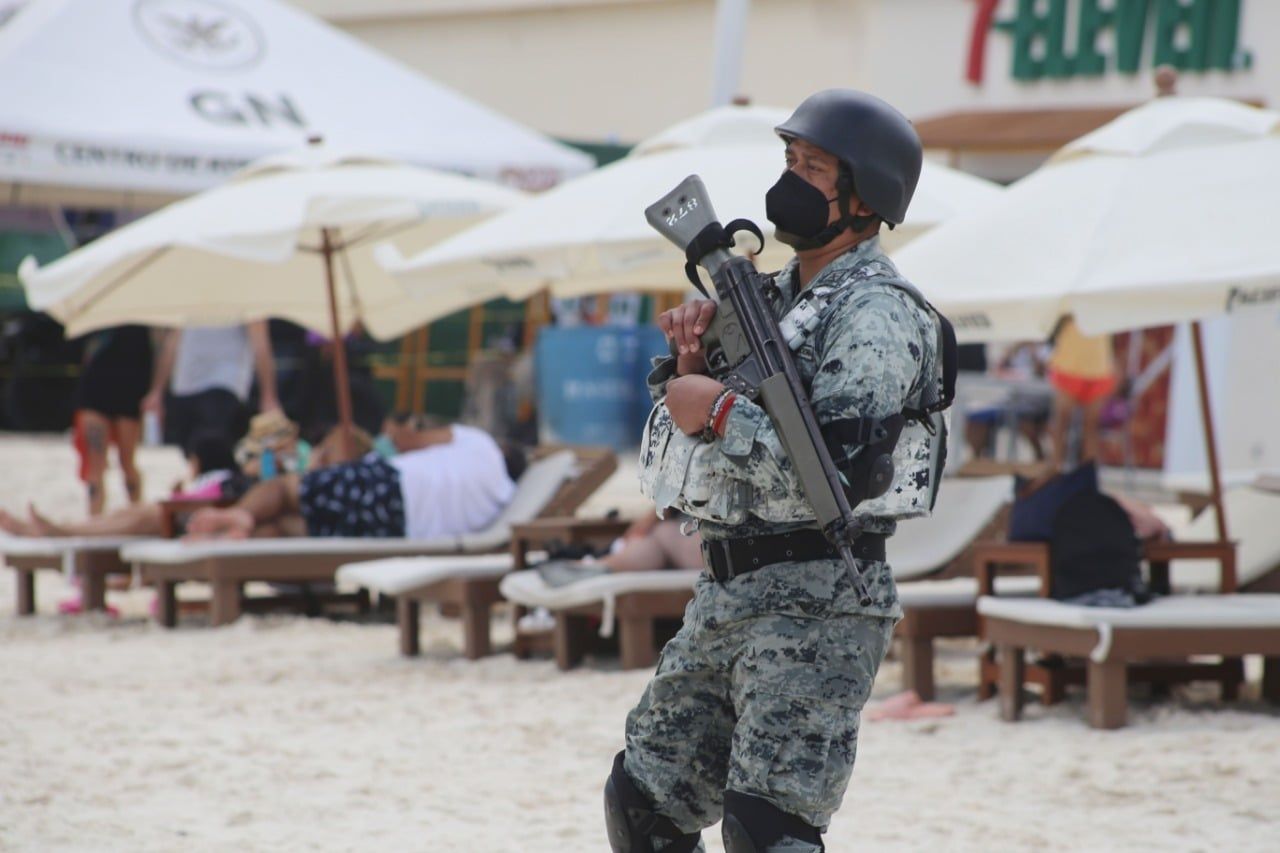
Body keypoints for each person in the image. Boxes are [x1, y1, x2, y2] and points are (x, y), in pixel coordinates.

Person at [604, 90, 948, 852]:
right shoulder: (771, 298)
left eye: (813, 167)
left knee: (768, 830)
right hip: (727, 587)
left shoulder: (877, 312)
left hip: (820, 599)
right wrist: (692, 365)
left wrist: (717, 409)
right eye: (789, 160)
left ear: (865, 197)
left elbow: (839, 478)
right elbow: (712, 440)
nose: (791, 178)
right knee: (643, 804)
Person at [184, 422, 516, 541]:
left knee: (288, 489)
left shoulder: (481, 443)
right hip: (400, 530)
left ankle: (241, 515)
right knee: (289, 526)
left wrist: (397, 429)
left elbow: (407, 442)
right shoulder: (502, 499)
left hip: (392, 483)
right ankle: (231, 539)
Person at [142, 322, 280, 451]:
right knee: (189, 457)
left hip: (224, 387)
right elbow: (172, 341)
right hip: (184, 388)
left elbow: (260, 343)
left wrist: (268, 397)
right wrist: (157, 391)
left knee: (214, 454)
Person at [72, 324, 154, 514]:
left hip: (130, 384)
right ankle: (94, 519)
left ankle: (135, 513)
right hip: (98, 385)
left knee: (126, 462)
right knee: (96, 464)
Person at [536, 511, 703, 588]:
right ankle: (597, 565)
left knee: (659, 534)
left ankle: (599, 565)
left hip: (705, 544)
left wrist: (653, 517)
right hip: (699, 540)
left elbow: (675, 493)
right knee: (654, 537)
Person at [1046, 315, 1118, 471]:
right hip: (1069, 364)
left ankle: (1087, 475)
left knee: (1090, 427)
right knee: (1061, 422)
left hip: (1098, 366)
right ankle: (1054, 471)